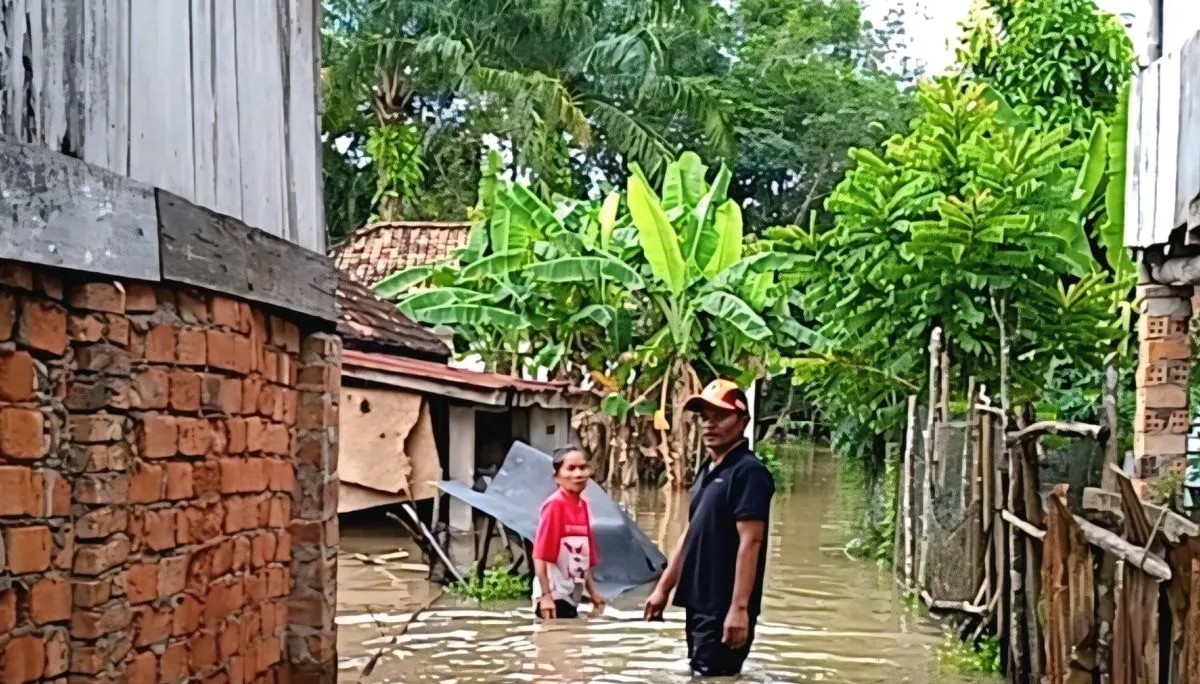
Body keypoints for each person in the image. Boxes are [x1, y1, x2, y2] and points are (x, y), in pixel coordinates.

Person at [642, 379, 775, 677]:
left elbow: (750, 542)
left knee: (714, 676)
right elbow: (692, 534)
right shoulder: (709, 469)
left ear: (743, 421)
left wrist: (739, 608)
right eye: (704, 418)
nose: (709, 425)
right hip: (700, 602)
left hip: (724, 607)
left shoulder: (749, 473)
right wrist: (663, 588)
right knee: (703, 675)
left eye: (720, 417)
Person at [532, 445, 607, 620]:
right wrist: (545, 596)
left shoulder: (584, 505)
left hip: (571, 595)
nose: (578, 474)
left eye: (583, 467)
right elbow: (540, 555)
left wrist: (593, 592)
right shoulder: (554, 505)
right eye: (571, 468)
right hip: (554, 596)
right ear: (556, 477)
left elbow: (583, 556)